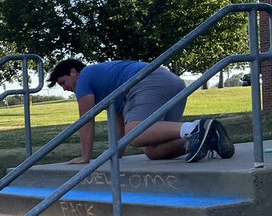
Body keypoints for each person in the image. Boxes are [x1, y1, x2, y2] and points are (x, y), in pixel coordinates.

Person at [46, 58, 235, 164]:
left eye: (63, 82)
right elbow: (119, 123)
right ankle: (208, 139)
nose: (65, 88)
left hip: (148, 82)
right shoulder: (108, 85)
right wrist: (116, 153)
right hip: (171, 82)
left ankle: (194, 128)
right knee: (152, 150)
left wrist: (85, 157)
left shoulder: (84, 78)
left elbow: (86, 121)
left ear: (73, 71)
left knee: (135, 133)